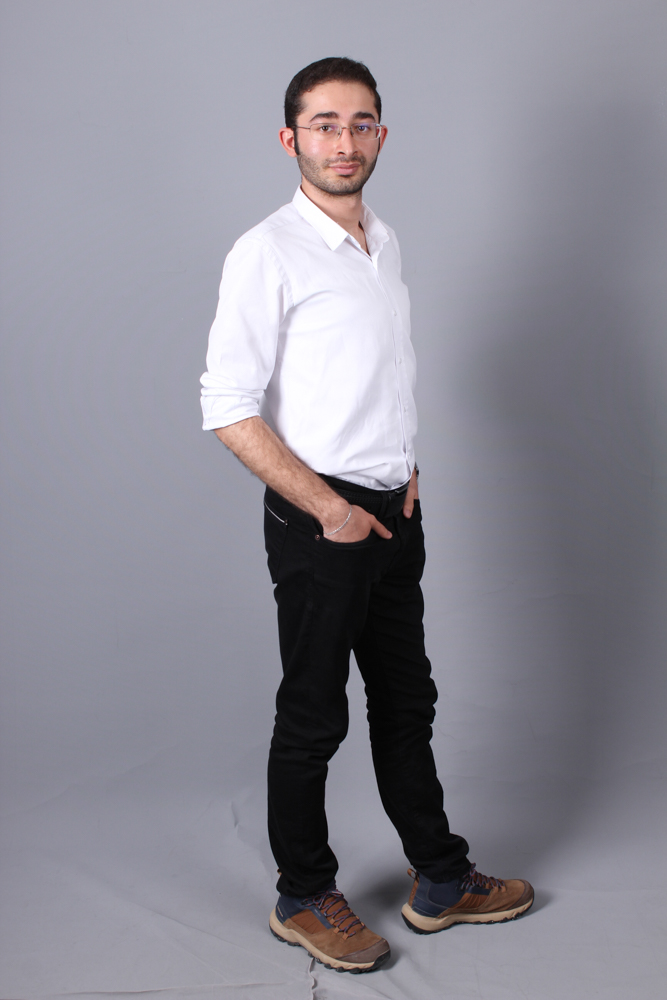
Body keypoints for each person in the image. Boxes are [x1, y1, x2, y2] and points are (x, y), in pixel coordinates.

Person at [201, 57, 533, 975]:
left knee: (406, 704)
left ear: (380, 134)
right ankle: (303, 895)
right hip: (322, 520)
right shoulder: (266, 250)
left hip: (394, 513)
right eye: (323, 124)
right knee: (313, 716)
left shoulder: (381, 240)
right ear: (290, 138)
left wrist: (404, 468)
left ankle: (440, 879)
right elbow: (226, 405)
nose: (343, 142)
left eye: (360, 124)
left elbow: (370, 375)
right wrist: (329, 509)